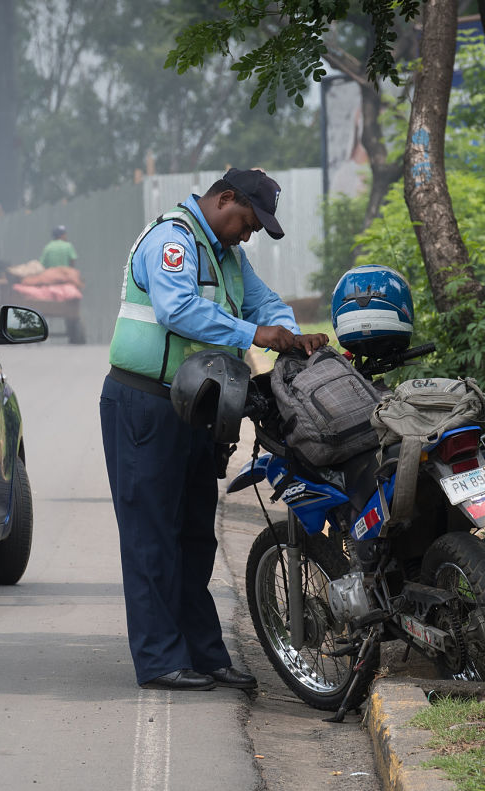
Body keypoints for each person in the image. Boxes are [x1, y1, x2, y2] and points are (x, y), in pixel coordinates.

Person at [99, 168, 328, 691]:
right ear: (225, 198)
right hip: (146, 405)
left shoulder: (227, 256)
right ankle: (159, 659)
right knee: (152, 535)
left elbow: (264, 303)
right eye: (246, 222)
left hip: (200, 410)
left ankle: (203, 653)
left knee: (196, 535)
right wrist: (256, 333)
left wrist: (290, 335)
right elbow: (176, 309)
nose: (246, 235)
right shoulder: (172, 240)